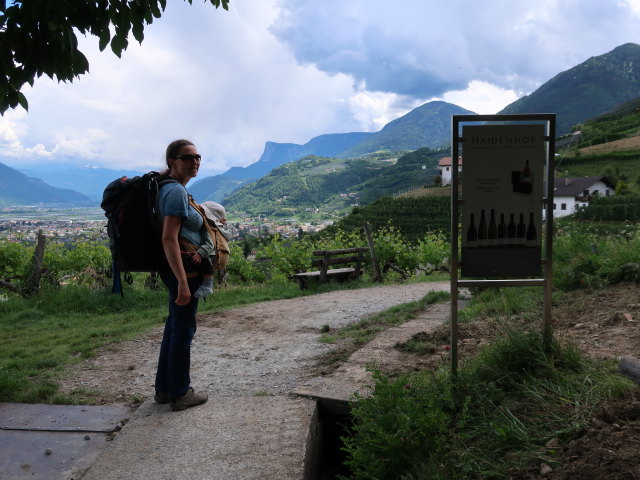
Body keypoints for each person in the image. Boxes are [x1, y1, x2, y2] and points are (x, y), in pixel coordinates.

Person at [154, 139, 209, 411]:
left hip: (176, 270)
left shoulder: (168, 187)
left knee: (174, 327)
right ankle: (180, 392)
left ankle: (164, 390)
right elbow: (169, 239)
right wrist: (183, 283)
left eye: (197, 156)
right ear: (172, 162)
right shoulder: (175, 192)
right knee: (183, 331)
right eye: (187, 157)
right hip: (183, 270)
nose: (195, 161)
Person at [200, 201, 231, 285]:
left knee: (207, 266)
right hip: (215, 254)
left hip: (213, 254)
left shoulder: (213, 228)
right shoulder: (216, 227)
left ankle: (207, 284)